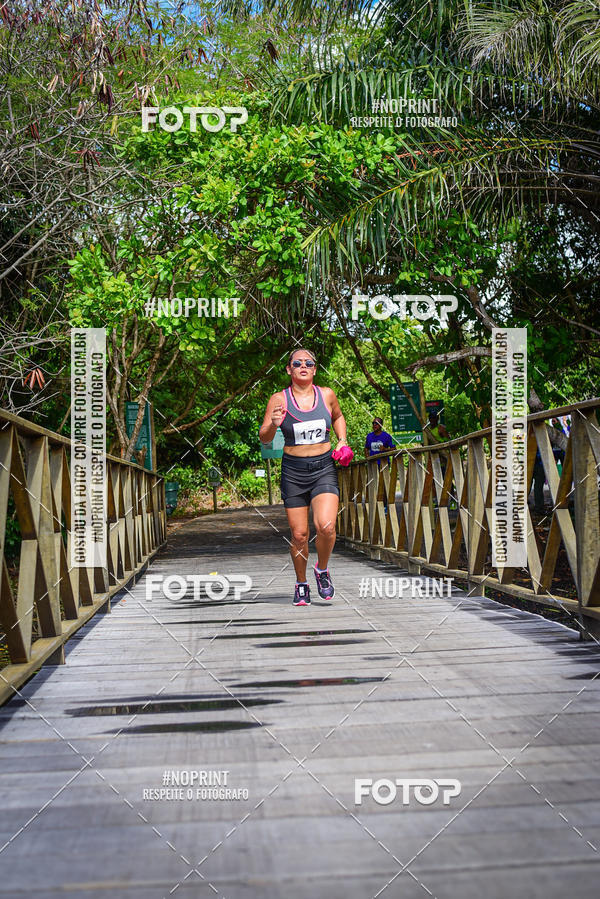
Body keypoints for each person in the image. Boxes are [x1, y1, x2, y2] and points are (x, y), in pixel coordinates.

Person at [259, 349, 349, 607]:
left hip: (323, 467)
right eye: (297, 363)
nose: (303, 366)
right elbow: (264, 437)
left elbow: (338, 416)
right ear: (289, 370)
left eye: (308, 363)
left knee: (327, 526)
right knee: (299, 535)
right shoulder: (279, 399)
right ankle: (301, 583)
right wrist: (274, 424)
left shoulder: (327, 394)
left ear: (314, 369)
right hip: (294, 471)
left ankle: (322, 569)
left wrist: (341, 440)